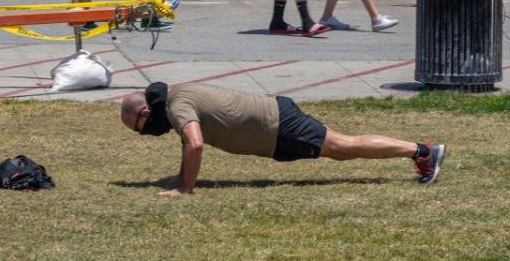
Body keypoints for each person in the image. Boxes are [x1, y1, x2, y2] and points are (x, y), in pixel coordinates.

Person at [120, 82, 447, 195]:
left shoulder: (178, 105)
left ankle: (422, 151)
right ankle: (421, 151)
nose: (145, 135)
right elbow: (187, 142)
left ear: (147, 114)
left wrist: (185, 187)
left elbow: (195, 143)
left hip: (279, 125)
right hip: (274, 124)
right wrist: (182, 174)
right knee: (343, 147)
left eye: (140, 129)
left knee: (344, 147)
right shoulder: (178, 96)